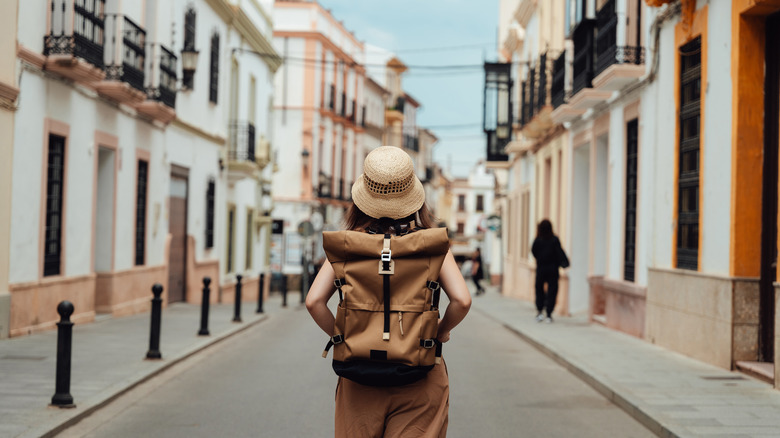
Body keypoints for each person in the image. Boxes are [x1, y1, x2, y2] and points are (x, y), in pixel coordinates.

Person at [305, 146, 471, 437]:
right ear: (413, 197)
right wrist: (440, 332)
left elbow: (314, 301)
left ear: (362, 198)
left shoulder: (348, 246)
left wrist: (344, 337)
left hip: (359, 377)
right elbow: (462, 300)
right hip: (420, 371)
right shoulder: (431, 246)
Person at [531, 219, 568, 323]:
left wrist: (540, 258)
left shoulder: (538, 240)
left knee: (539, 290)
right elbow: (559, 252)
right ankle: (548, 313)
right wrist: (563, 262)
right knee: (552, 290)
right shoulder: (554, 239)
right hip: (553, 269)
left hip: (541, 268)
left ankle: (539, 311)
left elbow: (533, 252)